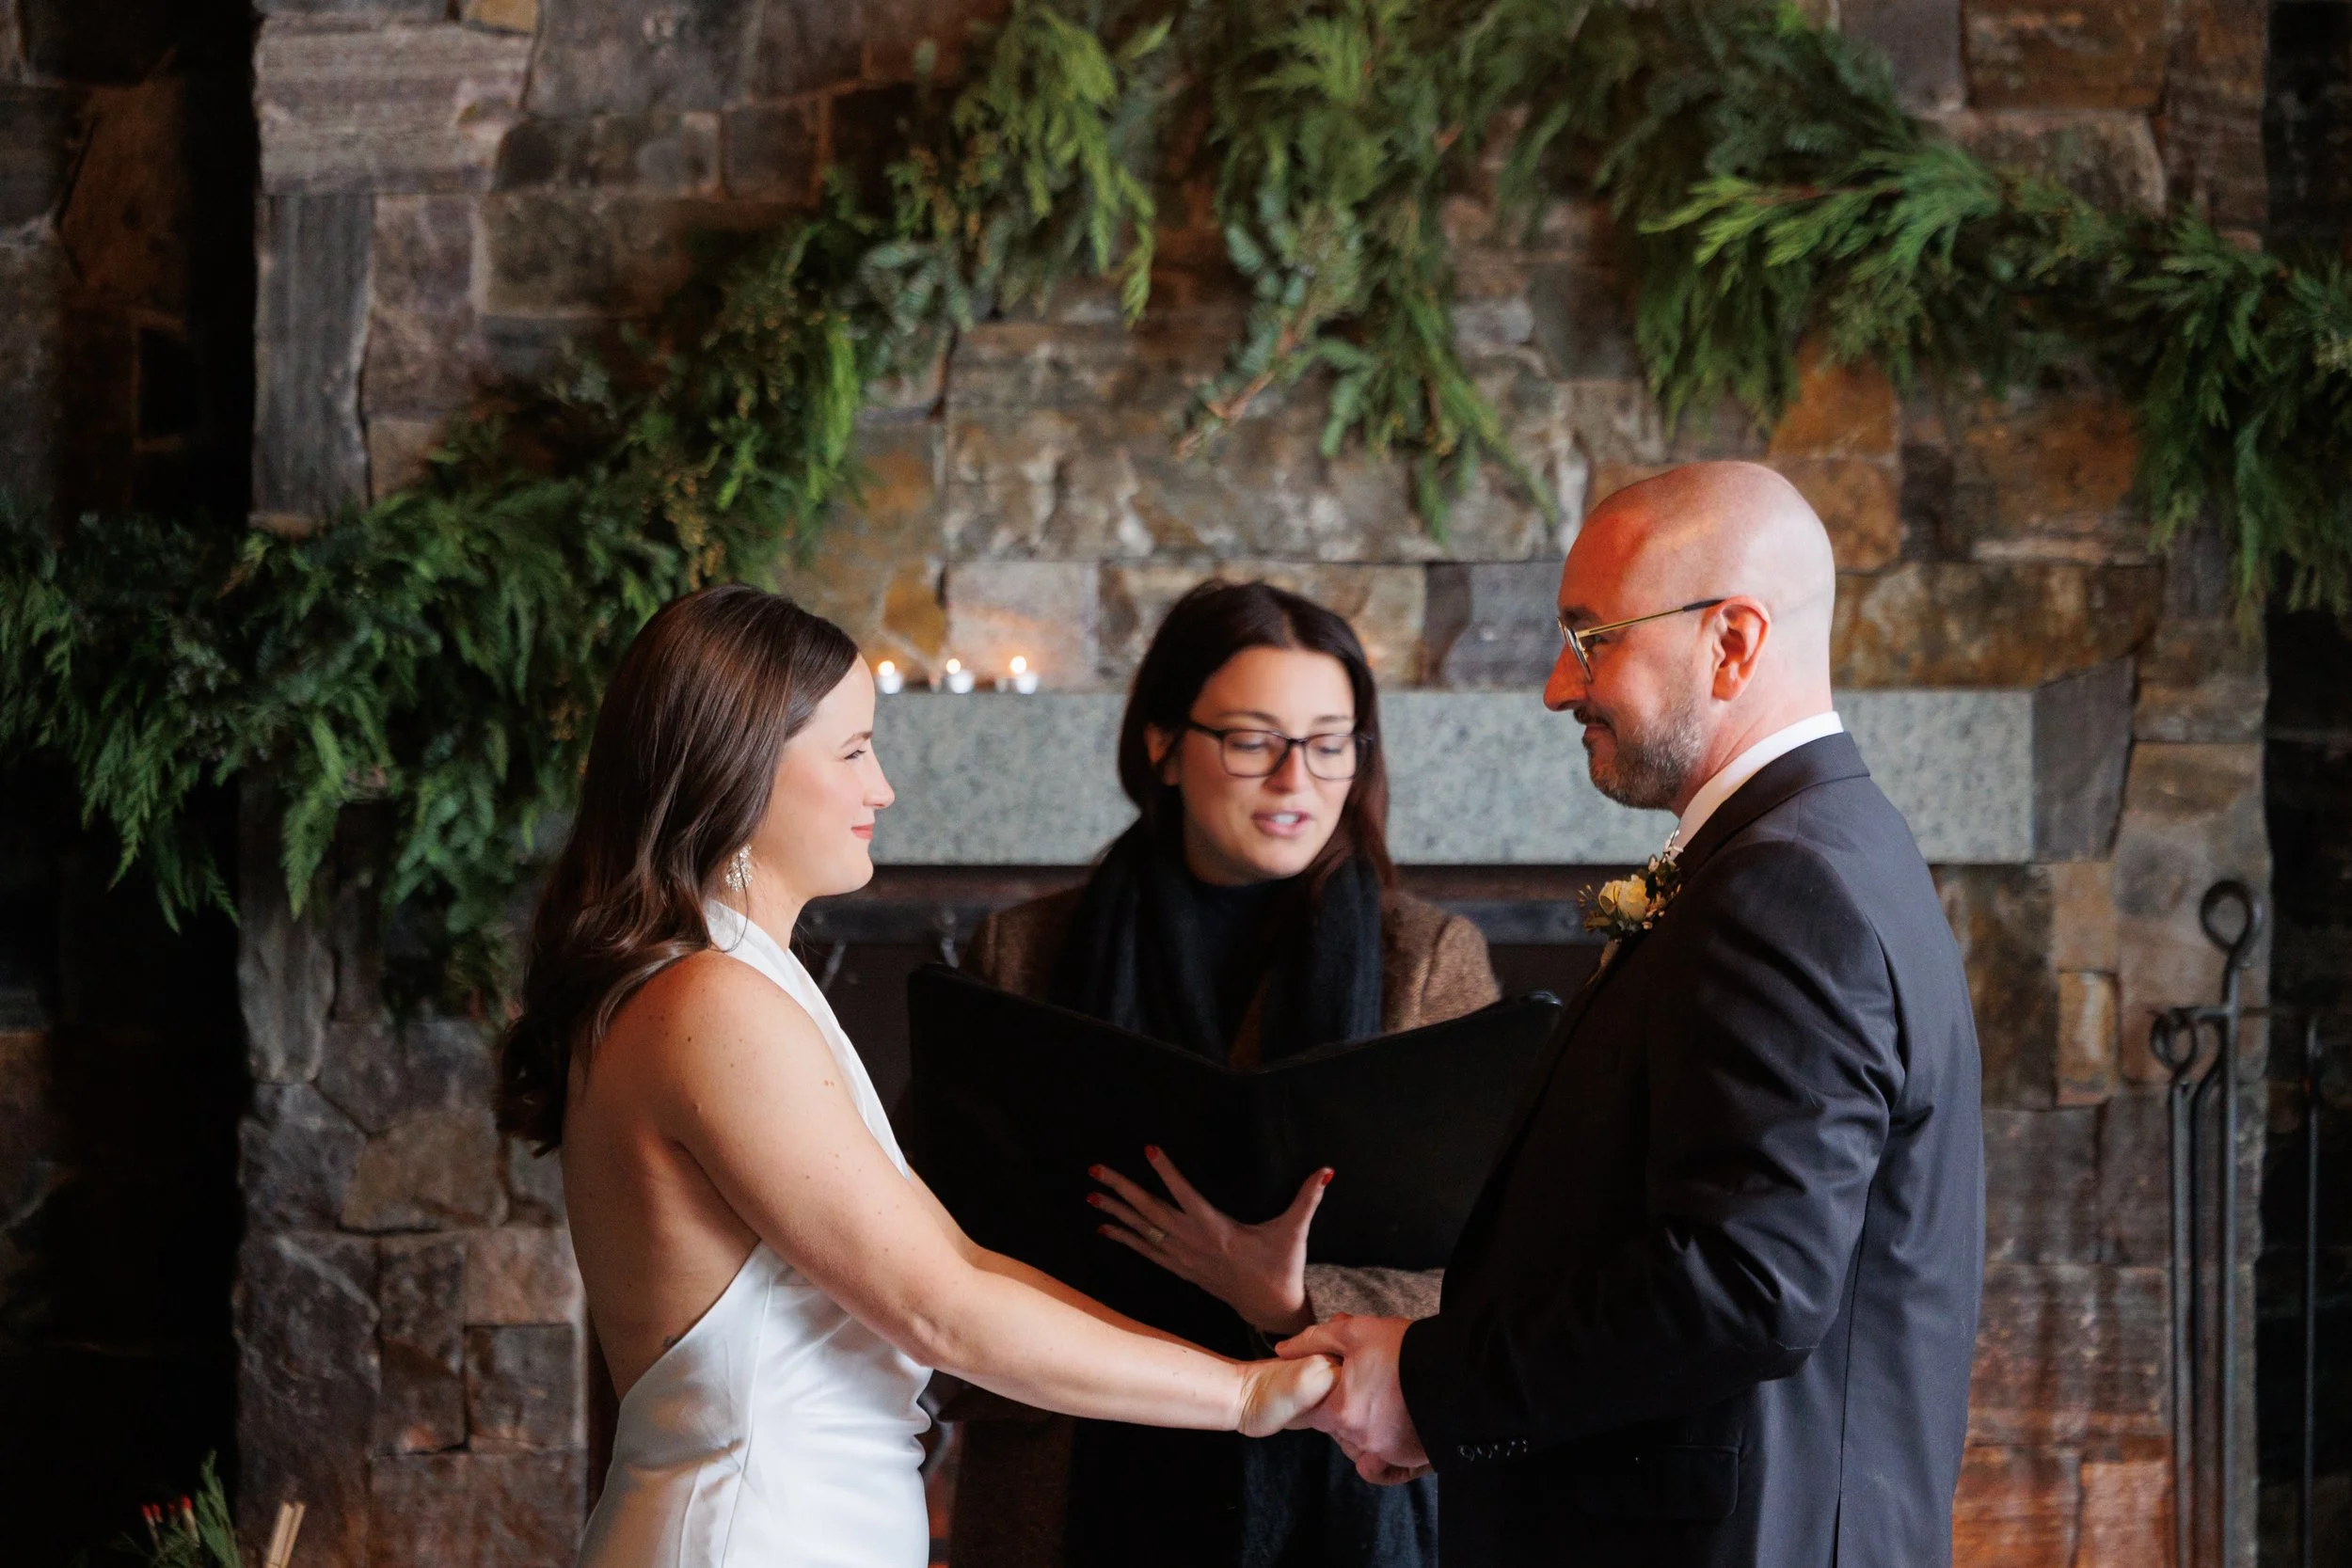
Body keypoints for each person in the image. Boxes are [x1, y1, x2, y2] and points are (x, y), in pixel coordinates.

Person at [493, 586, 1335, 1568]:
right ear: (739, 764)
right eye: (852, 751)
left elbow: (964, 1262)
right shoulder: (707, 1002)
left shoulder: (733, 980)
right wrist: (1243, 1400)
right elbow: (939, 1309)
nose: (882, 787)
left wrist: (1247, 1370)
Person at [1285, 462, 1984, 1568]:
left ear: (1733, 643)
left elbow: (1747, 1284)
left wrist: (1433, 1383)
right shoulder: (1815, 849)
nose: (1560, 688)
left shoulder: (1786, 888)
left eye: (1592, 637)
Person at [944, 579, 1500, 1568]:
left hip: (1334, 1478)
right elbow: (947, 1238)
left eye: (1331, 741)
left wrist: (1289, 1297)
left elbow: (1487, 1271)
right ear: (1162, 742)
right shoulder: (1021, 954)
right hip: (1075, 1475)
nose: (1297, 778)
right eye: (1253, 739)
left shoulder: (1427, 958)